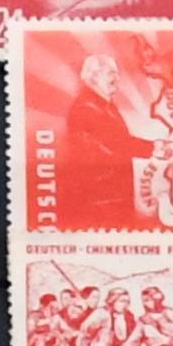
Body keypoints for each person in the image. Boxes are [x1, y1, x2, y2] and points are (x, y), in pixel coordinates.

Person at [62, 52, 137, 226]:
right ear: (95, 76)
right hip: (102, 201)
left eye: (117, 73)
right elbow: (121, 145)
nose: (117, 78)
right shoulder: (88, 108)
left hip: (111, 197)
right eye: (111, 73)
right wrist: (158, 148)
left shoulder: (104, 105)